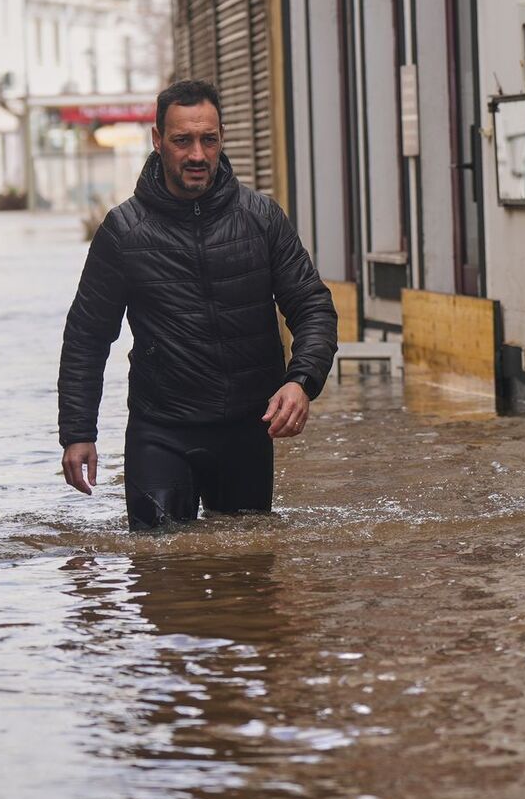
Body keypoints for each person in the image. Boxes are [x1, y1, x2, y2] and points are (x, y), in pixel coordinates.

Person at [57, 79, 338, 530]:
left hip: (248, 430)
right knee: (160, 571)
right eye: (182, 140)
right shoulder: (124, 232)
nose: (197, 155)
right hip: (161, 430)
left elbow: (312, 307)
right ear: (157, 141)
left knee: (248, 578)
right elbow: (87, 338)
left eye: (209, 140)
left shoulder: (261, 218)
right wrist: (77, 433)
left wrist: (302, 381)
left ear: (222, 137)